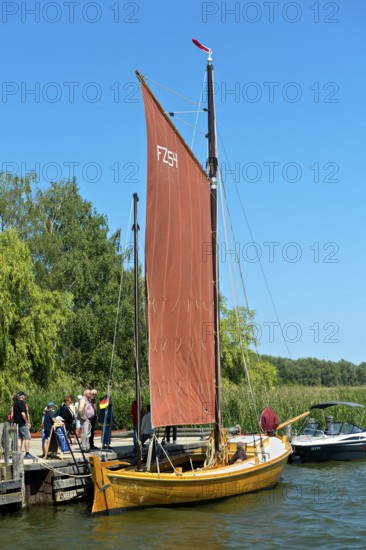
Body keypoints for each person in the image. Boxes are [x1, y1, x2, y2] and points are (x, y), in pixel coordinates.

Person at [12, 391, 34, 459]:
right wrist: (27, 422)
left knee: (19, 438)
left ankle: (19, 453)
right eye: (24, 396)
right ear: (22, 396)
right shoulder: (22, 403)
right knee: (27, 437)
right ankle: (27, 453)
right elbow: (23, 414)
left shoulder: (14, 404)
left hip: (17, 424)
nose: (24, 397)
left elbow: (13, 415)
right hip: (22, 424)